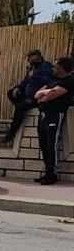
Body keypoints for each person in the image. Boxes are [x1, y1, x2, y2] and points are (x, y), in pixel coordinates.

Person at [32, 57, 74, 185]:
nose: (53, 69)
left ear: (61, 67)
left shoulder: (68, 81)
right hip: (43, 115)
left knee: (52, 145)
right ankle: (47, 172)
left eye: (55, 66)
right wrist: (45, 92)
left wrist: (44, 95)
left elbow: (48, 97)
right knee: (44, 145)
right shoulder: (52, 80)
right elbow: (37, 95)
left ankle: (52, 174)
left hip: (55, 115)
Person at [3, 49, 55, 143]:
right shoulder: (32, 68)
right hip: (28, 94)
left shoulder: (46, 67)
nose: (33, 63)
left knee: (20, 108)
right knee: (11, 93)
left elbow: (47, 81)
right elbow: (26, 81)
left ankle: (12, 132)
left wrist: (34, 76)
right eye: (31, 61)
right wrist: (18, 88)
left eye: (35, 60)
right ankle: (20, 112)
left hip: (37, 96)